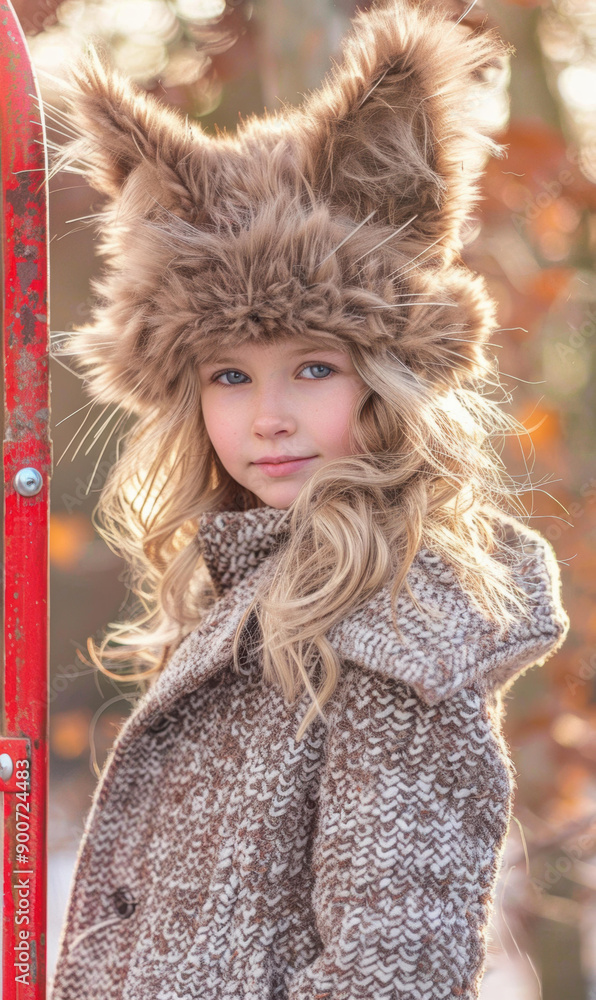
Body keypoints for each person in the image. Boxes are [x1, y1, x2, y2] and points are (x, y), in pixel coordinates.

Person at [48, 0, 569, 997]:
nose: (269, 417)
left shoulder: (397, 636)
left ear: (387, 380)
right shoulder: (232, 606)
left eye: (313, 368)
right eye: (230, 377)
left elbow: (390, 972)